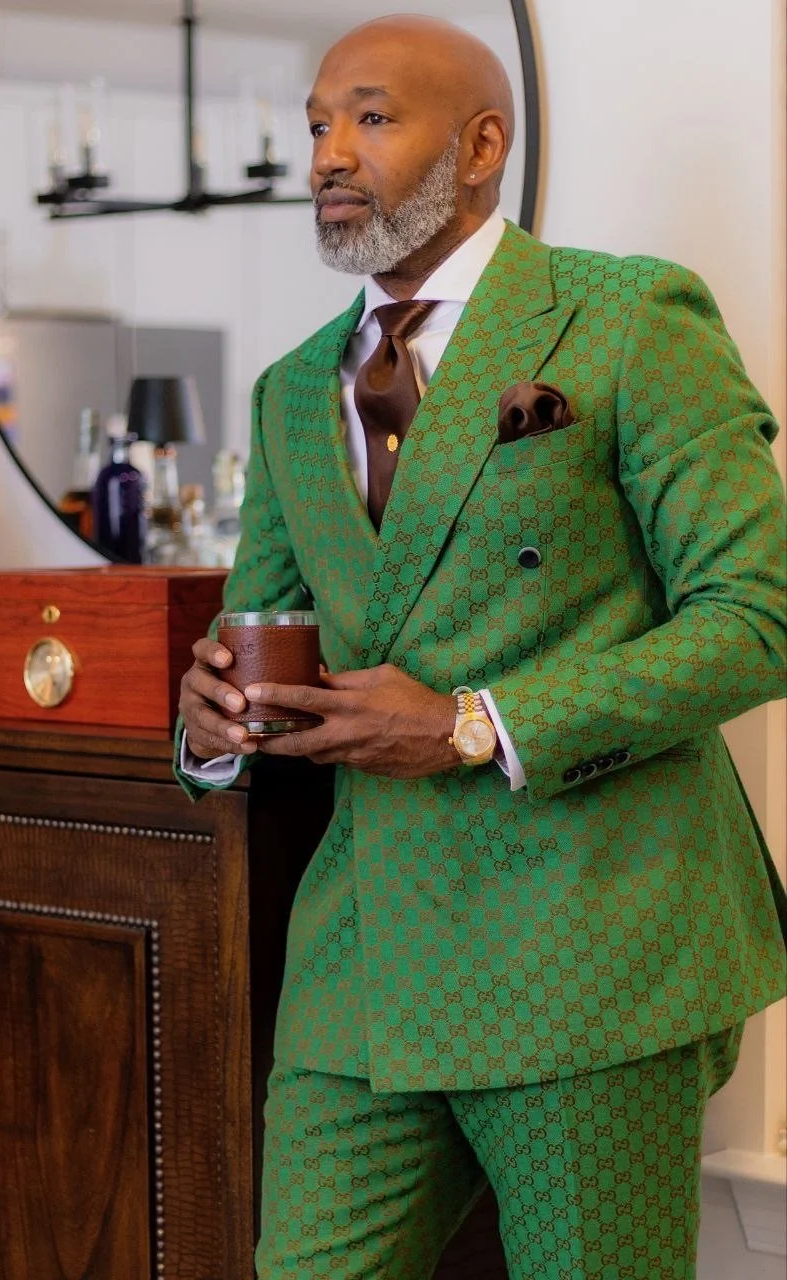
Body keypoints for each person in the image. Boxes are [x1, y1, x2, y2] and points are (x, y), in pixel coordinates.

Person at [175, 14, 787, 1279]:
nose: (328, 153)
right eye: (314, 125)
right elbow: (267, 628)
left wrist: (469, 719)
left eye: (371, 118)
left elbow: (753, 617)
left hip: (589, 939)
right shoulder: (292, 389)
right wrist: (211, 723)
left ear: (481, 144)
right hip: (364, 961)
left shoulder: (623, 318)